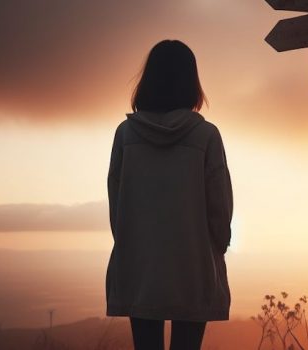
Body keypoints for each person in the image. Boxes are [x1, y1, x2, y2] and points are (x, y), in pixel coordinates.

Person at [105, 40, 233, 350]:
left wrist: (127, 245)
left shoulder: (126, 134)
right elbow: (220, 204)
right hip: (193, 264)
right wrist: (219, 245)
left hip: (139, 266)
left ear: (148, 80)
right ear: (191, 83)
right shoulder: (206, 135)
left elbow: (116, 202)